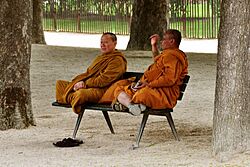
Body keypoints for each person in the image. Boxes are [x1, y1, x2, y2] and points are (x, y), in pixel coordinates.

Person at [112, 29, 188, 116]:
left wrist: (149, 84)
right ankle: (133, 106)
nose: (162, 41)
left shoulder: (174, 57)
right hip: (154, 88)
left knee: (142, 94)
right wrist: (154, 45)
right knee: (120, 89)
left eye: (164, 39)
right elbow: (158, 61)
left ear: (171, 41)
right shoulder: (168, 54)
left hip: (165, 94)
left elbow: (169, 79)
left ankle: (129, 105)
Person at [56, 32, 127, 114]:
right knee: (60, 85)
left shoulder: (117, 60)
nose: (102, 45)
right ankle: (72, 98)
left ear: (115, 43)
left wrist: (85, 84)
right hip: (91, 85)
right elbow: (89, 73)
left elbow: (103, 80)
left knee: (81, 94)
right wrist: (79, 82)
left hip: (104, 91)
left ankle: (71, 98)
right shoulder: (101, 57)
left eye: (106, 42)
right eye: (101, 42)